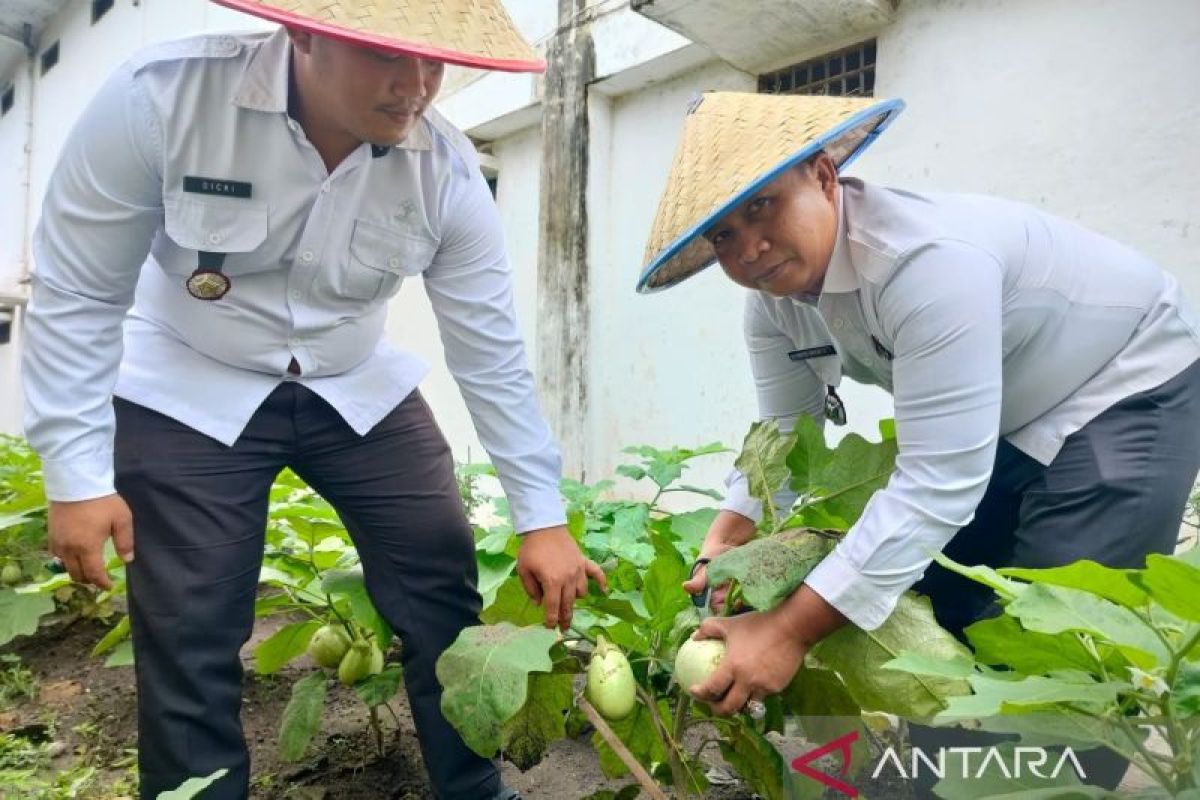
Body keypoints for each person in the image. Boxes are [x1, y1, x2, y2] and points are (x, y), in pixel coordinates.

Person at [21, 1, 605, 798]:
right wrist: (76, 475)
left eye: (434, 62)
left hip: (350, 383)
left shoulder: (446, 170)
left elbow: (490, 351)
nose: (416, 86)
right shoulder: (162, 101)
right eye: (387, 57)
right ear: (302, 32)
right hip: (190, 381)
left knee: (440, 577)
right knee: (189, 621)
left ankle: (474, 789)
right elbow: (78, 294)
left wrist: (543, 518)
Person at [638, 91, 1200, 792]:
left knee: (1056, 644)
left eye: (762, 206)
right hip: (1011, 410)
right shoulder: (774, 307)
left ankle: (1043, 779)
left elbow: (940, 480)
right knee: (942, 602)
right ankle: (948, 779)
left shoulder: (924, 264)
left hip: (1126, 381)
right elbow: (785, 433)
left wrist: (786, 632)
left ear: (821, 176)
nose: (748, 247)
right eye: (722, 233)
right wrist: (730, 528)